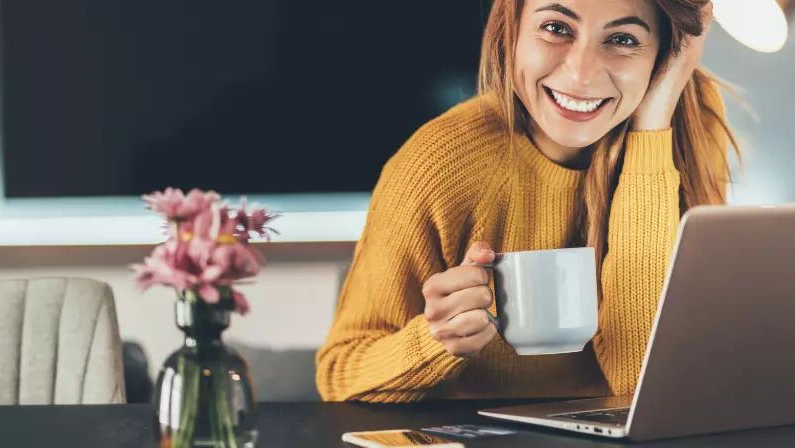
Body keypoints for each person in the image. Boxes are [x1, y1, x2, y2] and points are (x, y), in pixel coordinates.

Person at [316, 0, 738, 402]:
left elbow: (641, 384)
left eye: (624, 39)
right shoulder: (442, 161)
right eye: (556, 28)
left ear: (665, 54)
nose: (581, 75)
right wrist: (435, 340)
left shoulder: (687, 128)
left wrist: (651, 127)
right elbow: (341, 372)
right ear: (510, 28)